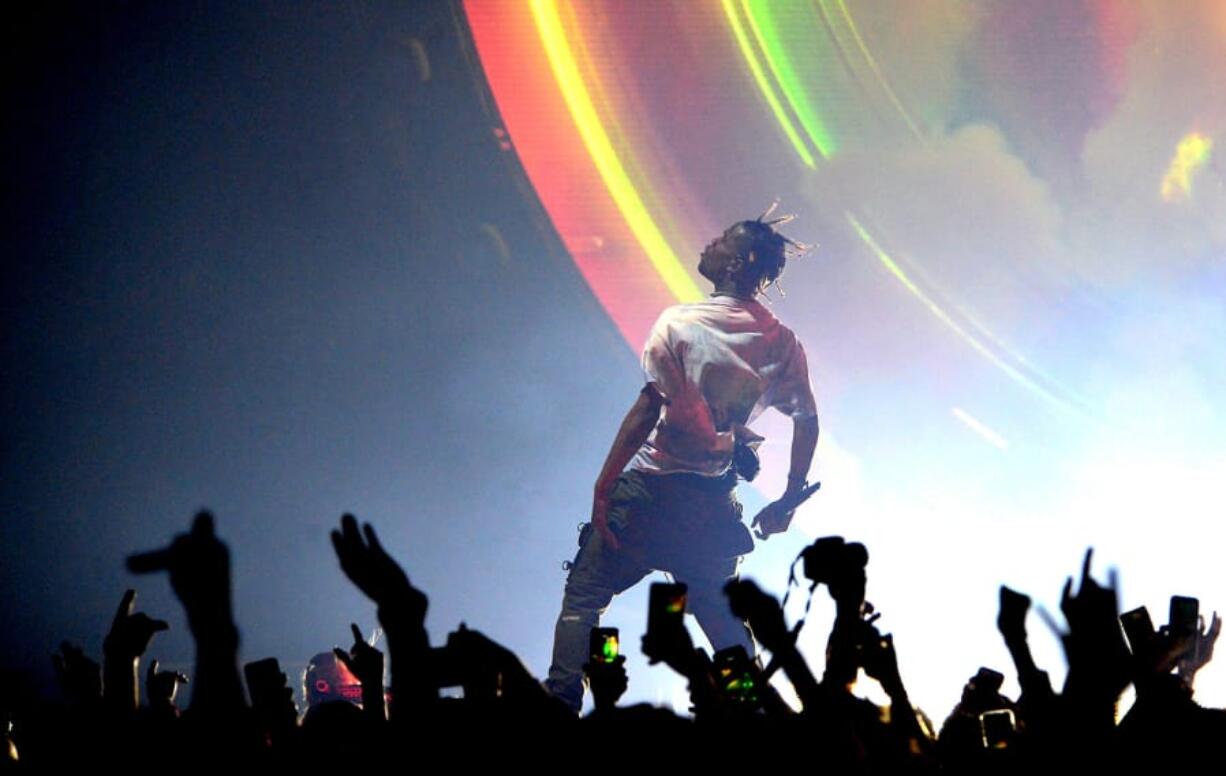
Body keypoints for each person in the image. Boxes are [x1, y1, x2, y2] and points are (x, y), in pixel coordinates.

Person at [543, 208, 820, 713]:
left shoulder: (681, 322)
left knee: (585, 599)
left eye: (723, 240)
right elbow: (807, 420)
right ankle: (752, 712)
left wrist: (603, 487)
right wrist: (788, 497)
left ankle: (563, 705)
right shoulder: (780, 341)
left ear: (739, 263)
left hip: (648, 495)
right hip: (710, 506)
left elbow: (651, 405)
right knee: (719, 618)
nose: (710, 242)